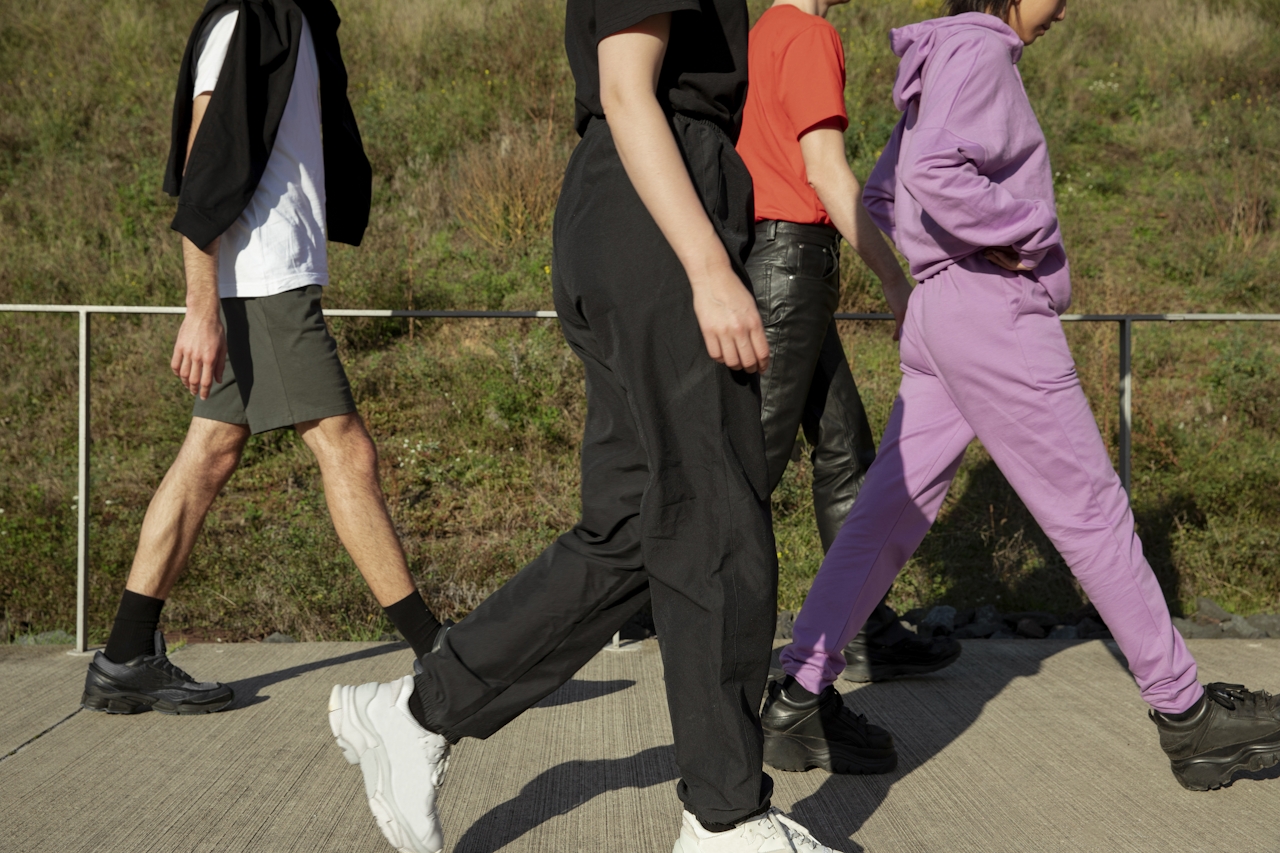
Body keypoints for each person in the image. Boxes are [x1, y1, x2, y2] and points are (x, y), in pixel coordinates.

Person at [326, 2, 841, 851]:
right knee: (712, 515)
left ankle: (421, 710)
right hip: (662, 202)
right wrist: (709, 265)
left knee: (633, 529)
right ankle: (726, 817)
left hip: (641, 203)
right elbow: (626, 88)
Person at [772, 0, 1280, 794]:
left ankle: (798, 688)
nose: (1065, 7)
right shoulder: (980, 49)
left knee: (888, 512)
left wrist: (935, 259)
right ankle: (1188, 717)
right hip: (991, 313)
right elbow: (940, 171)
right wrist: (1025, 228)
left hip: (942, 312)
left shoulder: (936, 57)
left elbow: (883, 193)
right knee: (1091, 508)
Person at [80, 0, 445, 717]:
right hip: (260, 282)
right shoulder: (249, 20)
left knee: (207, 454)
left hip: (267, 280)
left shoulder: (299, 20)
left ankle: (125, 656)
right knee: (348, 451)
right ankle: (440, 653)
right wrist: (201, 306)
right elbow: (203, 164)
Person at [735, 0, 962, 775]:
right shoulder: (806, 33)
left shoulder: (756, 32)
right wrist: (898, 281)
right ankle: (737, 673)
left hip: (782, 264)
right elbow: (824, 170)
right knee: (749, 474)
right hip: (791, 263)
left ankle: (858, 630)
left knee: (844, 449)